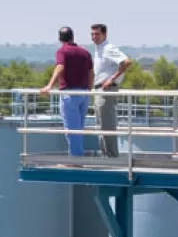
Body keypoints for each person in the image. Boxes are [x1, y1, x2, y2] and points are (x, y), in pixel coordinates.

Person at [40, 26, 93, 158]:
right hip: (84, 94)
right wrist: (89, 88)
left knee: (71, 130)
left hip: (70, 94)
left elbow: (60, 66)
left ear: (60, 38)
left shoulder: (62, 51)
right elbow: (91, 72)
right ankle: (78, 157)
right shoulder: (85, 52)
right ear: (72, 37)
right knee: (79, 129)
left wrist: (49, 85)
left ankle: (76, 159)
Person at [91, 23, 133, 158]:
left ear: (104, 34)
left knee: (106, 124)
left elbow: (126, 62)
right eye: (92, 34)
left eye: (97, 34)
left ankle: (112, 156)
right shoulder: (99, 49)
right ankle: (107, 155)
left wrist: (112, 79)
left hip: (106, 90)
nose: (94, 37)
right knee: (100, 124)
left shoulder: (108, 48)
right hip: (98, 89)